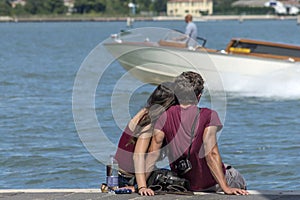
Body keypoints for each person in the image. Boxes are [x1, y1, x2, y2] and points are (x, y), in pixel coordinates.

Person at [145, 71, 249, 195]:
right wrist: (225, 188)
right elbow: (211, 154)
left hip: (185, 183)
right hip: (211, 184)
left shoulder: (164, 116)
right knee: (236, 177)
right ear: (199, 96)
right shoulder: (208, 115)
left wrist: (141, 185)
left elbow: (152, 153)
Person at [114, 82, 177, 194]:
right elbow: (138, 156)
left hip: (121, 175)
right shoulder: (149, 124)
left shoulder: (145, 112)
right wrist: (141, 186)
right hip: (129, 179)